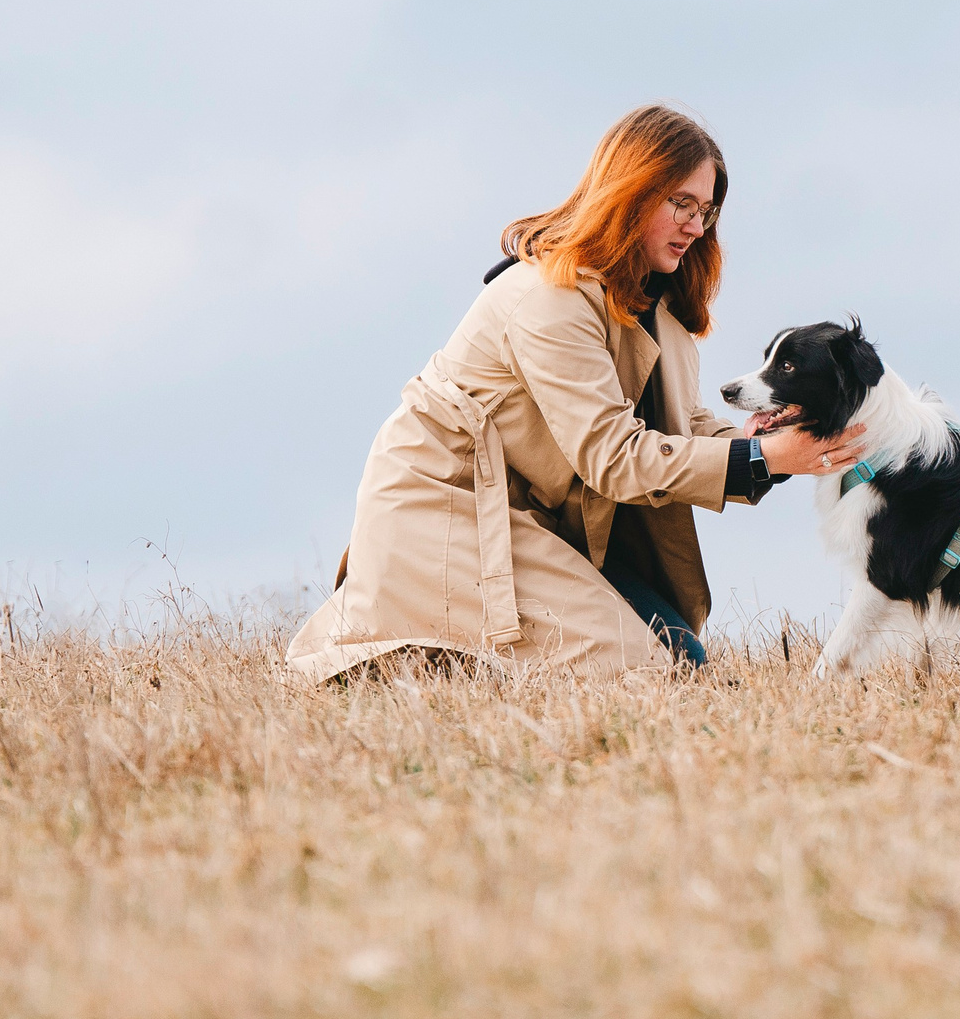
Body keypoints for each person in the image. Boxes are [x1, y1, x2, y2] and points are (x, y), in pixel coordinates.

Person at [285, 104, 863, 681]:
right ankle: (379, 646)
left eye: (706, 211)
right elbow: (612, 456)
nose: (696, 226)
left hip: (543, 522)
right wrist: (764, 457)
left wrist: (782, 443)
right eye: (680, 204)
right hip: (449, 508)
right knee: (648, 674)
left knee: (682, 655)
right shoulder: (547, 296)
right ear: (629, 193)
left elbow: (683, 429)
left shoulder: (664, 311)